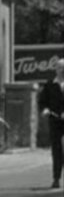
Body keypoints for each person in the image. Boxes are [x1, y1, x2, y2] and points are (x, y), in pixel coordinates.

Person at [39, 57, 64, 189]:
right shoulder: (50, 85)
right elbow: (43, 101)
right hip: (55, 119)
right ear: (56, 70)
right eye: (59, 67)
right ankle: (56, 178)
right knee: (56, 149)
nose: (62, 70)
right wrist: (45, 109)